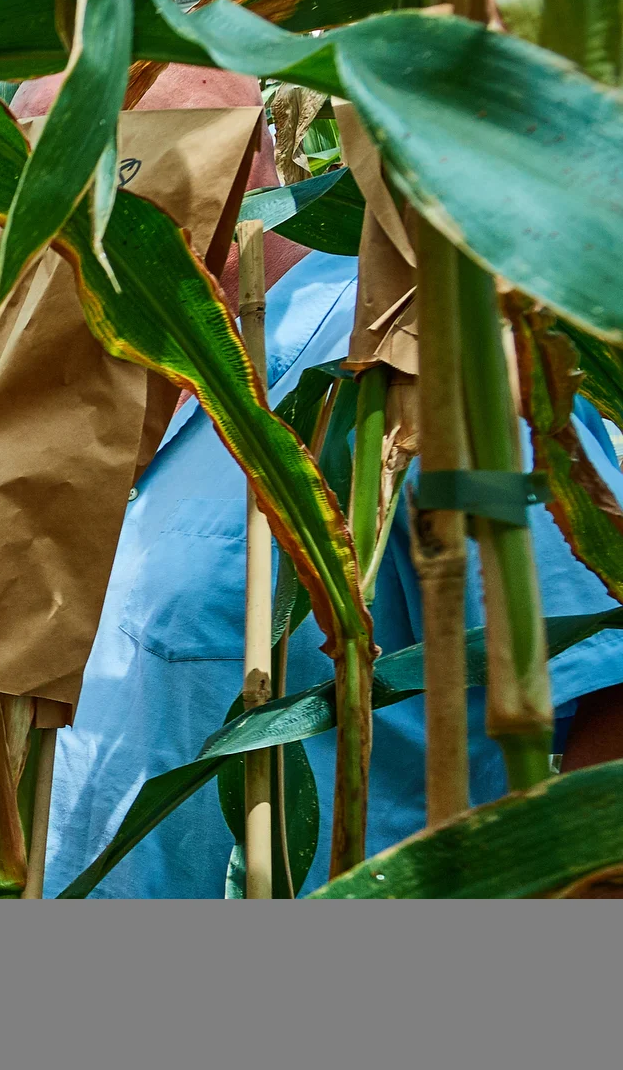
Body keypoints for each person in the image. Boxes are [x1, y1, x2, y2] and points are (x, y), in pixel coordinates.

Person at [34, 74, 623, 896]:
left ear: (215, 161)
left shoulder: (418, 367)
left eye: (56, 178)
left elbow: (607, 702)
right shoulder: (100, 405)